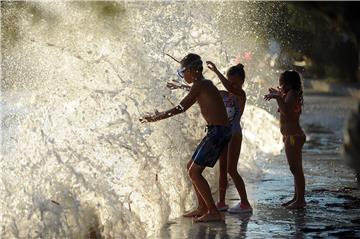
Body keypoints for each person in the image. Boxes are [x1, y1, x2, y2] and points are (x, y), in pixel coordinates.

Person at [140, 53, 231, 222]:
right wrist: (181, 86)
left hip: (218, 131)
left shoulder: (199, 85)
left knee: (194, 172)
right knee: (191, 167)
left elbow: (181, 107)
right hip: (219, 130)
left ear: (192, 70)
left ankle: (213, 211)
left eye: (183, 72)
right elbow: (197, 92)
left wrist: (156, 117)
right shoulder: (204, 84)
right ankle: (202, 207)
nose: (183, 76)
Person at [206, 61, 253, 213]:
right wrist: (184, 87)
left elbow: (229, 87)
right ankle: (221, 202)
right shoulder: (225, 95)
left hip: (234, 134)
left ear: (241, 82)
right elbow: (206, 92)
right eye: (230, 81)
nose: (232, 85)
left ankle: (245, 203)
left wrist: (216, 71)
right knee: (223, 169)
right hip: (224, 133)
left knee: (232, 169)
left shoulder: (241, 94)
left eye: (235, 82)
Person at [264, 70, 306, 209]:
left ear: (288, 83)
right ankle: (297, 198)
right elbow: (286, 108)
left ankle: (300, 200)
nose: (280, 85)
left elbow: (287, 112)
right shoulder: (289, 94)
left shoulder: (292, 94)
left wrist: (278, 97)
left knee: (296, 169)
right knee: (295, 168)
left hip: (294, 137)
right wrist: (279, 95)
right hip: (291, 136)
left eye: (281, 83)